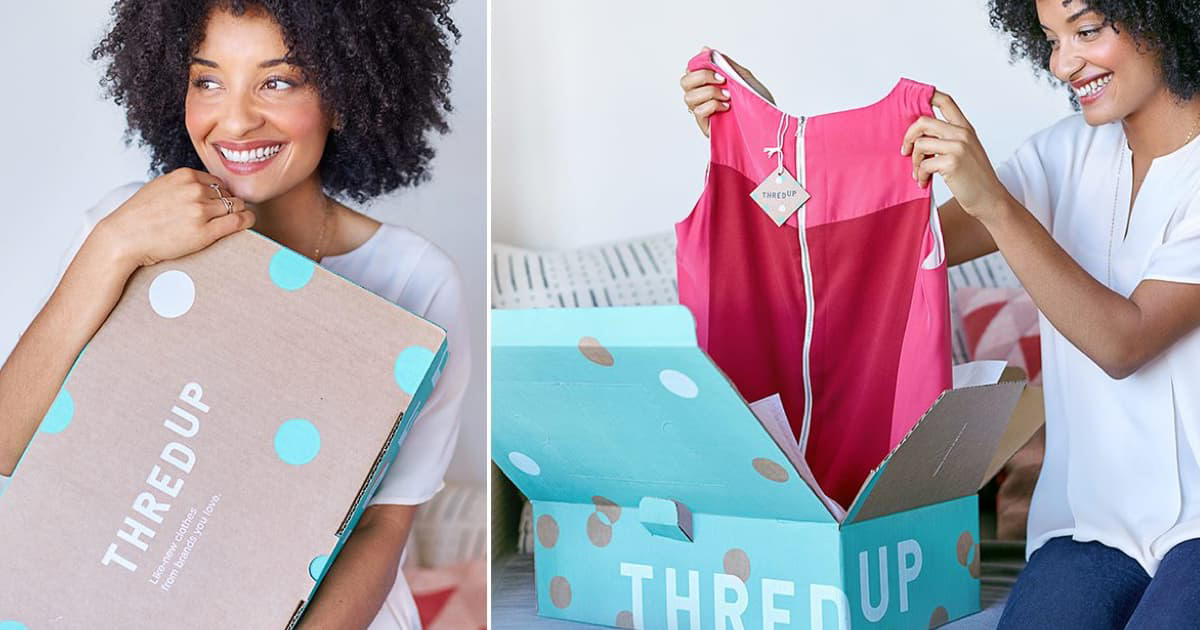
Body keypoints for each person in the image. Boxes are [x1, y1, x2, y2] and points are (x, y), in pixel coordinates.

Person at [680, 1, 1200, 628]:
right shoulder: (1065, 153)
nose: (1063, 63)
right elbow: (878, 251)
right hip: (1092, 525)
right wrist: (764, 151)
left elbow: (1126, 342)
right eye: (1050, 39)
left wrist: (996, 207)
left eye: (1086, 31)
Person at [0, 1, 471, 628]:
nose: (237, 120)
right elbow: (8, 448)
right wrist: (111, 249)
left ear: (343, 94)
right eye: (208, 80)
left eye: (278, 81)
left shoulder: (418, 281)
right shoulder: (126, 225)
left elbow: (383, 525)